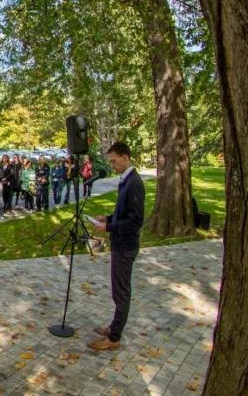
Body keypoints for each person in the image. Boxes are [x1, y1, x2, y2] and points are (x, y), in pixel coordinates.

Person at [88, 142, 145, 351]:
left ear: (125, 157)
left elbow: (136, 221)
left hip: (125, 246)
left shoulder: (134, 183)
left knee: (121, 293)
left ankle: (114, 337)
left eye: (114, 161)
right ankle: (113, 327)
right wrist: (108, 218)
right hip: (120, 244)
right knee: (117, 291)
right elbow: (125, 213)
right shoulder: (127, 181)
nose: (112, 165)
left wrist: (109, 227)